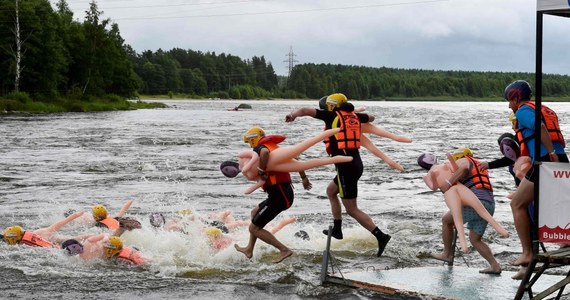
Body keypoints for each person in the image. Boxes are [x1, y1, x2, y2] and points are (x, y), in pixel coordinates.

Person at [285, 93, 391, 257]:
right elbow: (372, 117)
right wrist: (354, 113)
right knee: (330, 191)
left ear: (332, 106)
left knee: (352, 209)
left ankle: (380, 236)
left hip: (346, 168)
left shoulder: (331, 115)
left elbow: (306, 110)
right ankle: (338, 229)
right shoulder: (355, 116)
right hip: (355, 164)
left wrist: (293, 115)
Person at [503, 80, 569, 268]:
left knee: (517, 203)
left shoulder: (523, 110)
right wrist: (555, 154)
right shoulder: (542, 108)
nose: (509, 105)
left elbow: (540, 128)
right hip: (560, 159)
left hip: (546, 160)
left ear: (516, 97)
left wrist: (551, 154)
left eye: (509, 101)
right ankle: (565, 240)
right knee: (560, 201)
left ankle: (527, 253)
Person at [234, 127, 311, 263]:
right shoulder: (274, 147)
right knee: (255, 212)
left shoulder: (261, 147)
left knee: (254, 228)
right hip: (284, 193)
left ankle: (284, 250)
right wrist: (304, 178)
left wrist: (261, 170)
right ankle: (249, 249)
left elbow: (264, 153)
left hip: (279, 195)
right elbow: (296, 160)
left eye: (249, 142)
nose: (249, 145)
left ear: (253, 139)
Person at [429, 148, 503, 275]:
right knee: (475, 239)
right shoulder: (479, 164)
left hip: (475, 203)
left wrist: (448, 183)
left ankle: (446, 254)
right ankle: (494, 265)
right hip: (489, 205)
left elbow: (463, 169)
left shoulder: (464, 160)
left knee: (446, 221)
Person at [2, 211, 87, 248]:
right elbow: (60, 223)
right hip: (53, 239)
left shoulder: (26, 245)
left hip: (54, 244)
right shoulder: (38, 232)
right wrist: (76, 215)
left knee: (75, 239)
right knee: (77, 238)